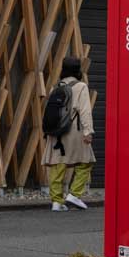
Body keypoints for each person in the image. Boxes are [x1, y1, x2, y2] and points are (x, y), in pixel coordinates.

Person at [43, 57, 96, 211]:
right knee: (86, 162)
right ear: (78, 70)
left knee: (58, 164)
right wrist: (88, 131)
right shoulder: (81, 86)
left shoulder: (57, 86)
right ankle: (74, 195)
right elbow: (85, 111)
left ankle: (56, 201)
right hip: (74, 131)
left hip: (56, 131)